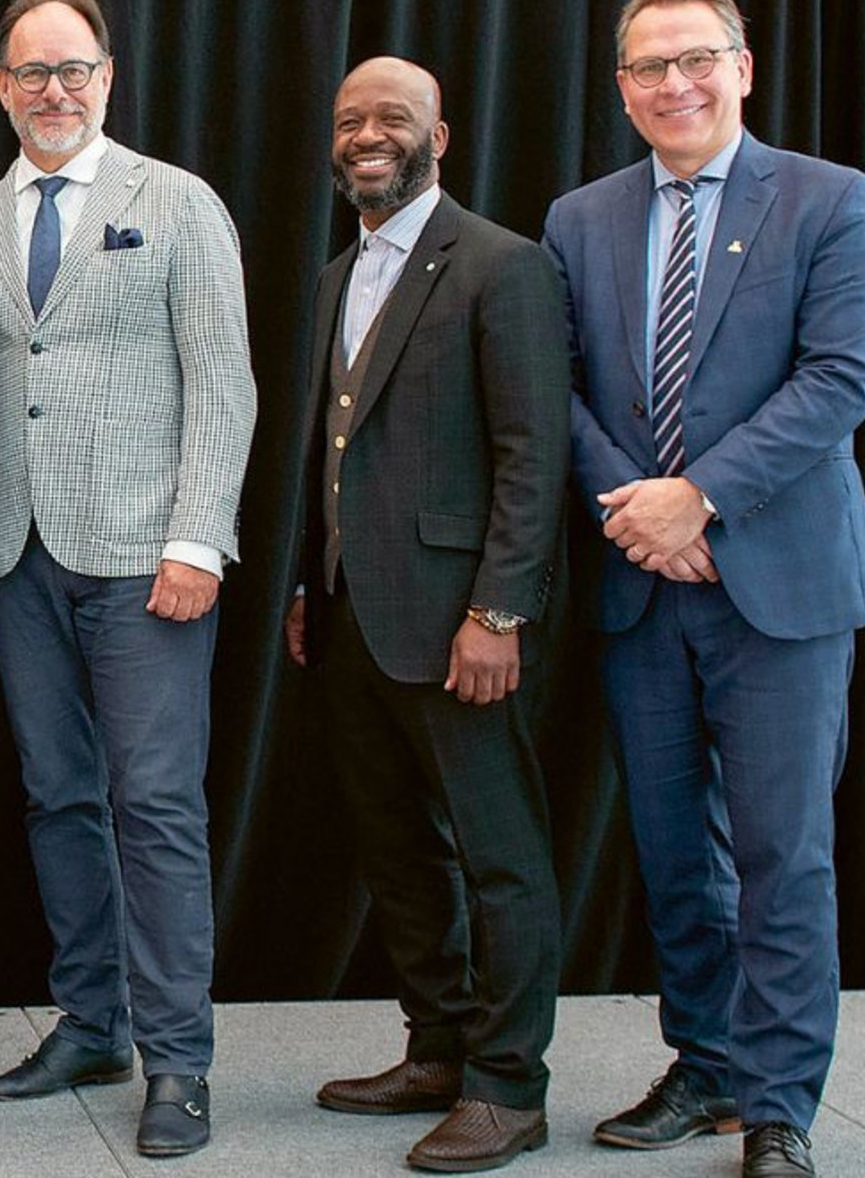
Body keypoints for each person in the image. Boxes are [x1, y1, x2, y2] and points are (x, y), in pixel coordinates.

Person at [545, 0, 865, 1178]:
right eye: (646, 68)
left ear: (742, 66)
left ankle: (781, 1105)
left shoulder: (829, 199)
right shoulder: (576, 219)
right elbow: (563, 393)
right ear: (621, 87)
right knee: (670, 849)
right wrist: (640, 515)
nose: (672, 85)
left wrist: (702, 496)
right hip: (643, 582)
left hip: (780, 584)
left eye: (695, 59)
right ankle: (706, 1064)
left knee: (781, 852)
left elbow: (837, 379)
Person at [0, 0, 252, 1158]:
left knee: (153, 807)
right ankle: (91, 1022)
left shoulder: (174, 201)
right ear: (0, 88)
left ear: (106, 78)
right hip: (13, 558)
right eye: (28, 74)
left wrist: (195, 537)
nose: (51, 91)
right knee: (56, 797)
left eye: (71, 71)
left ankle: (178, 1063)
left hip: (142, 558)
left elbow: (223, 379)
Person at [284, 57, 568, 1173]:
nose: (366, 133)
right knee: (396, 849)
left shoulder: (502, 267)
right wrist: (312, 584)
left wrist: (497, 613)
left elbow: (528, 456)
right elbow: (333, 456)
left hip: (458, 626)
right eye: (349, 117)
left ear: (436, 136)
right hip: (356, 617)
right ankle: (437, 1047)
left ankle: (509, 1085)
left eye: (390, 118)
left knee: (499, 858)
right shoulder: (332, 275)